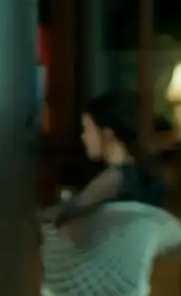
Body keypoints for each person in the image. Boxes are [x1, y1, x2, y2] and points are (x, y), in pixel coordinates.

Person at [41, 90, 166, 229]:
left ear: (107, 134)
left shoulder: (116, 177)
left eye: (86, 129)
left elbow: (69, 210)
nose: (83, 137)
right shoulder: (137, 170)